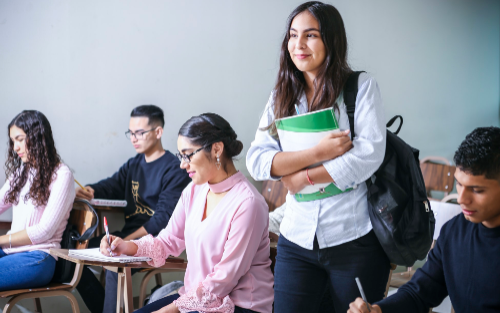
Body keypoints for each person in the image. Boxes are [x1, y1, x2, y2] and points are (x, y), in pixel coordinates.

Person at [246, 2, 390, 312]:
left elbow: (367, 156)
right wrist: (318, 153)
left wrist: (302, 176)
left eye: (310, 35)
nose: (298, 45)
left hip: (354, 236)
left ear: (331, 40)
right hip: (296, 238)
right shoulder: (282, 94)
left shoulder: (360, 88)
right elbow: (257, 160)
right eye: (293, 35)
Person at [101, 113, 274, 313]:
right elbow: (167, 241)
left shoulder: (248, 204)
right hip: (197, 299)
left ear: (216, 149)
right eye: (180, 156)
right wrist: (126, 246)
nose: (183, 164)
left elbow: (223, 280)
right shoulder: (194, 190)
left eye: (188, 154)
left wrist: (167, 310)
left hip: (239, 306)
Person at [348, 126, 500, 313]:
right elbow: (419, 292)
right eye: (459, 184)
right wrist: (378, 310)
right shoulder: (454, 232)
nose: (461, 198)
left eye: (477, 190)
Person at [75, 105, 191, 313]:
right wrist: (90, 190)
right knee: (77, 256)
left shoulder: (174, 168)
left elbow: (161, 221)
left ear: (158, 132)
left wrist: (126, 242)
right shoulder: (134, 164)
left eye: (140, 133)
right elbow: (112, 185)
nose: (134, 138)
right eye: (131, 133)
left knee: (114, 266)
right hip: (128, 236)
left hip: (154, 240)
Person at [0, 110, 75, 291]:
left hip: (38, 258)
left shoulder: (61, 174)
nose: (15, 147)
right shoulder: (20, 173)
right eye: (13, 141)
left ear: (37, 136)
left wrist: (1, 240)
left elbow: (44, 231)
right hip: (10, 253)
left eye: (20, 139)